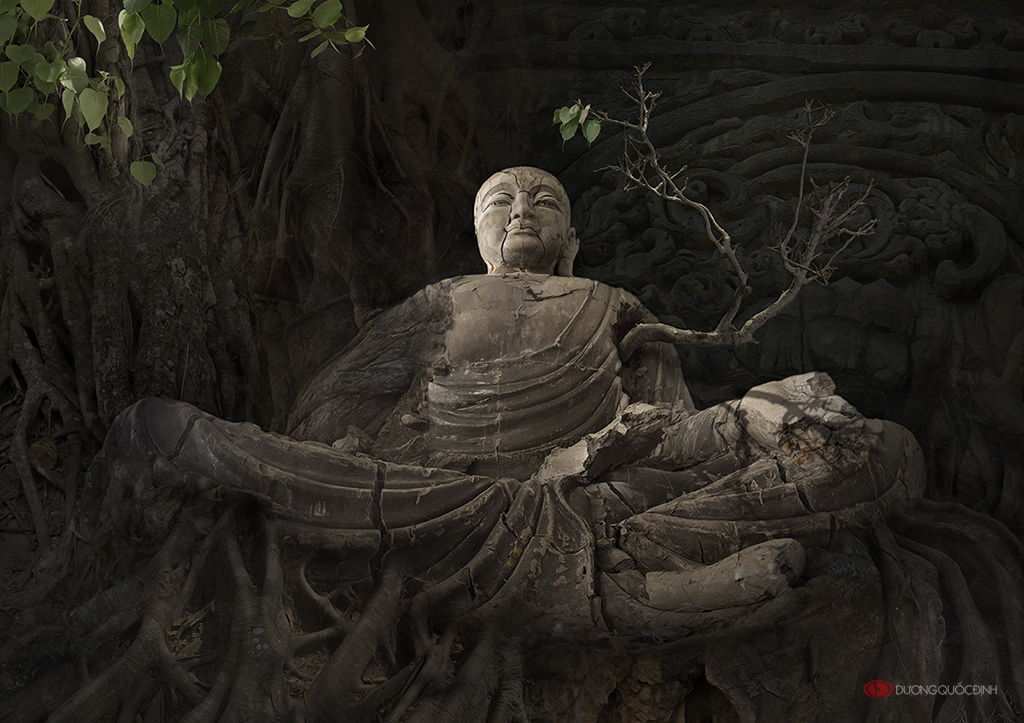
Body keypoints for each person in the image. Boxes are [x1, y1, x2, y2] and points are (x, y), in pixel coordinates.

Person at [96, 166, 924, 635]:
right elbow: (337, 401)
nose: (523, 208)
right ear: (480, 236)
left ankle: (638, 579)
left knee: (883, 448)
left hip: (600, 495)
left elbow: (672, 436)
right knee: (166, 430)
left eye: (543, 202)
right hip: (430, 492)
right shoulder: (439, 300)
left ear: (571, 241)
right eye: (503, 201)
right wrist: (351, 448)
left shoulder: (613, 304)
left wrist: (755, 412)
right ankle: (644, 592)